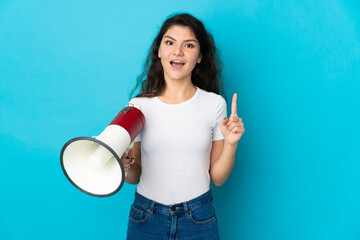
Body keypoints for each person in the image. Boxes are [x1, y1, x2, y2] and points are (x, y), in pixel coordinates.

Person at [122, 13, 245, 240]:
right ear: (159, 51)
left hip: (198, 218)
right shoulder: (138, 106)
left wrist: (231, 144)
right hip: (146, 217)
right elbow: (135, 175)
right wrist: (124, 166)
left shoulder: (214, 104)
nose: (177, 52)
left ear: (199, 56)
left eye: (188, 45)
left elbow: (217, 178)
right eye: (170, 43)